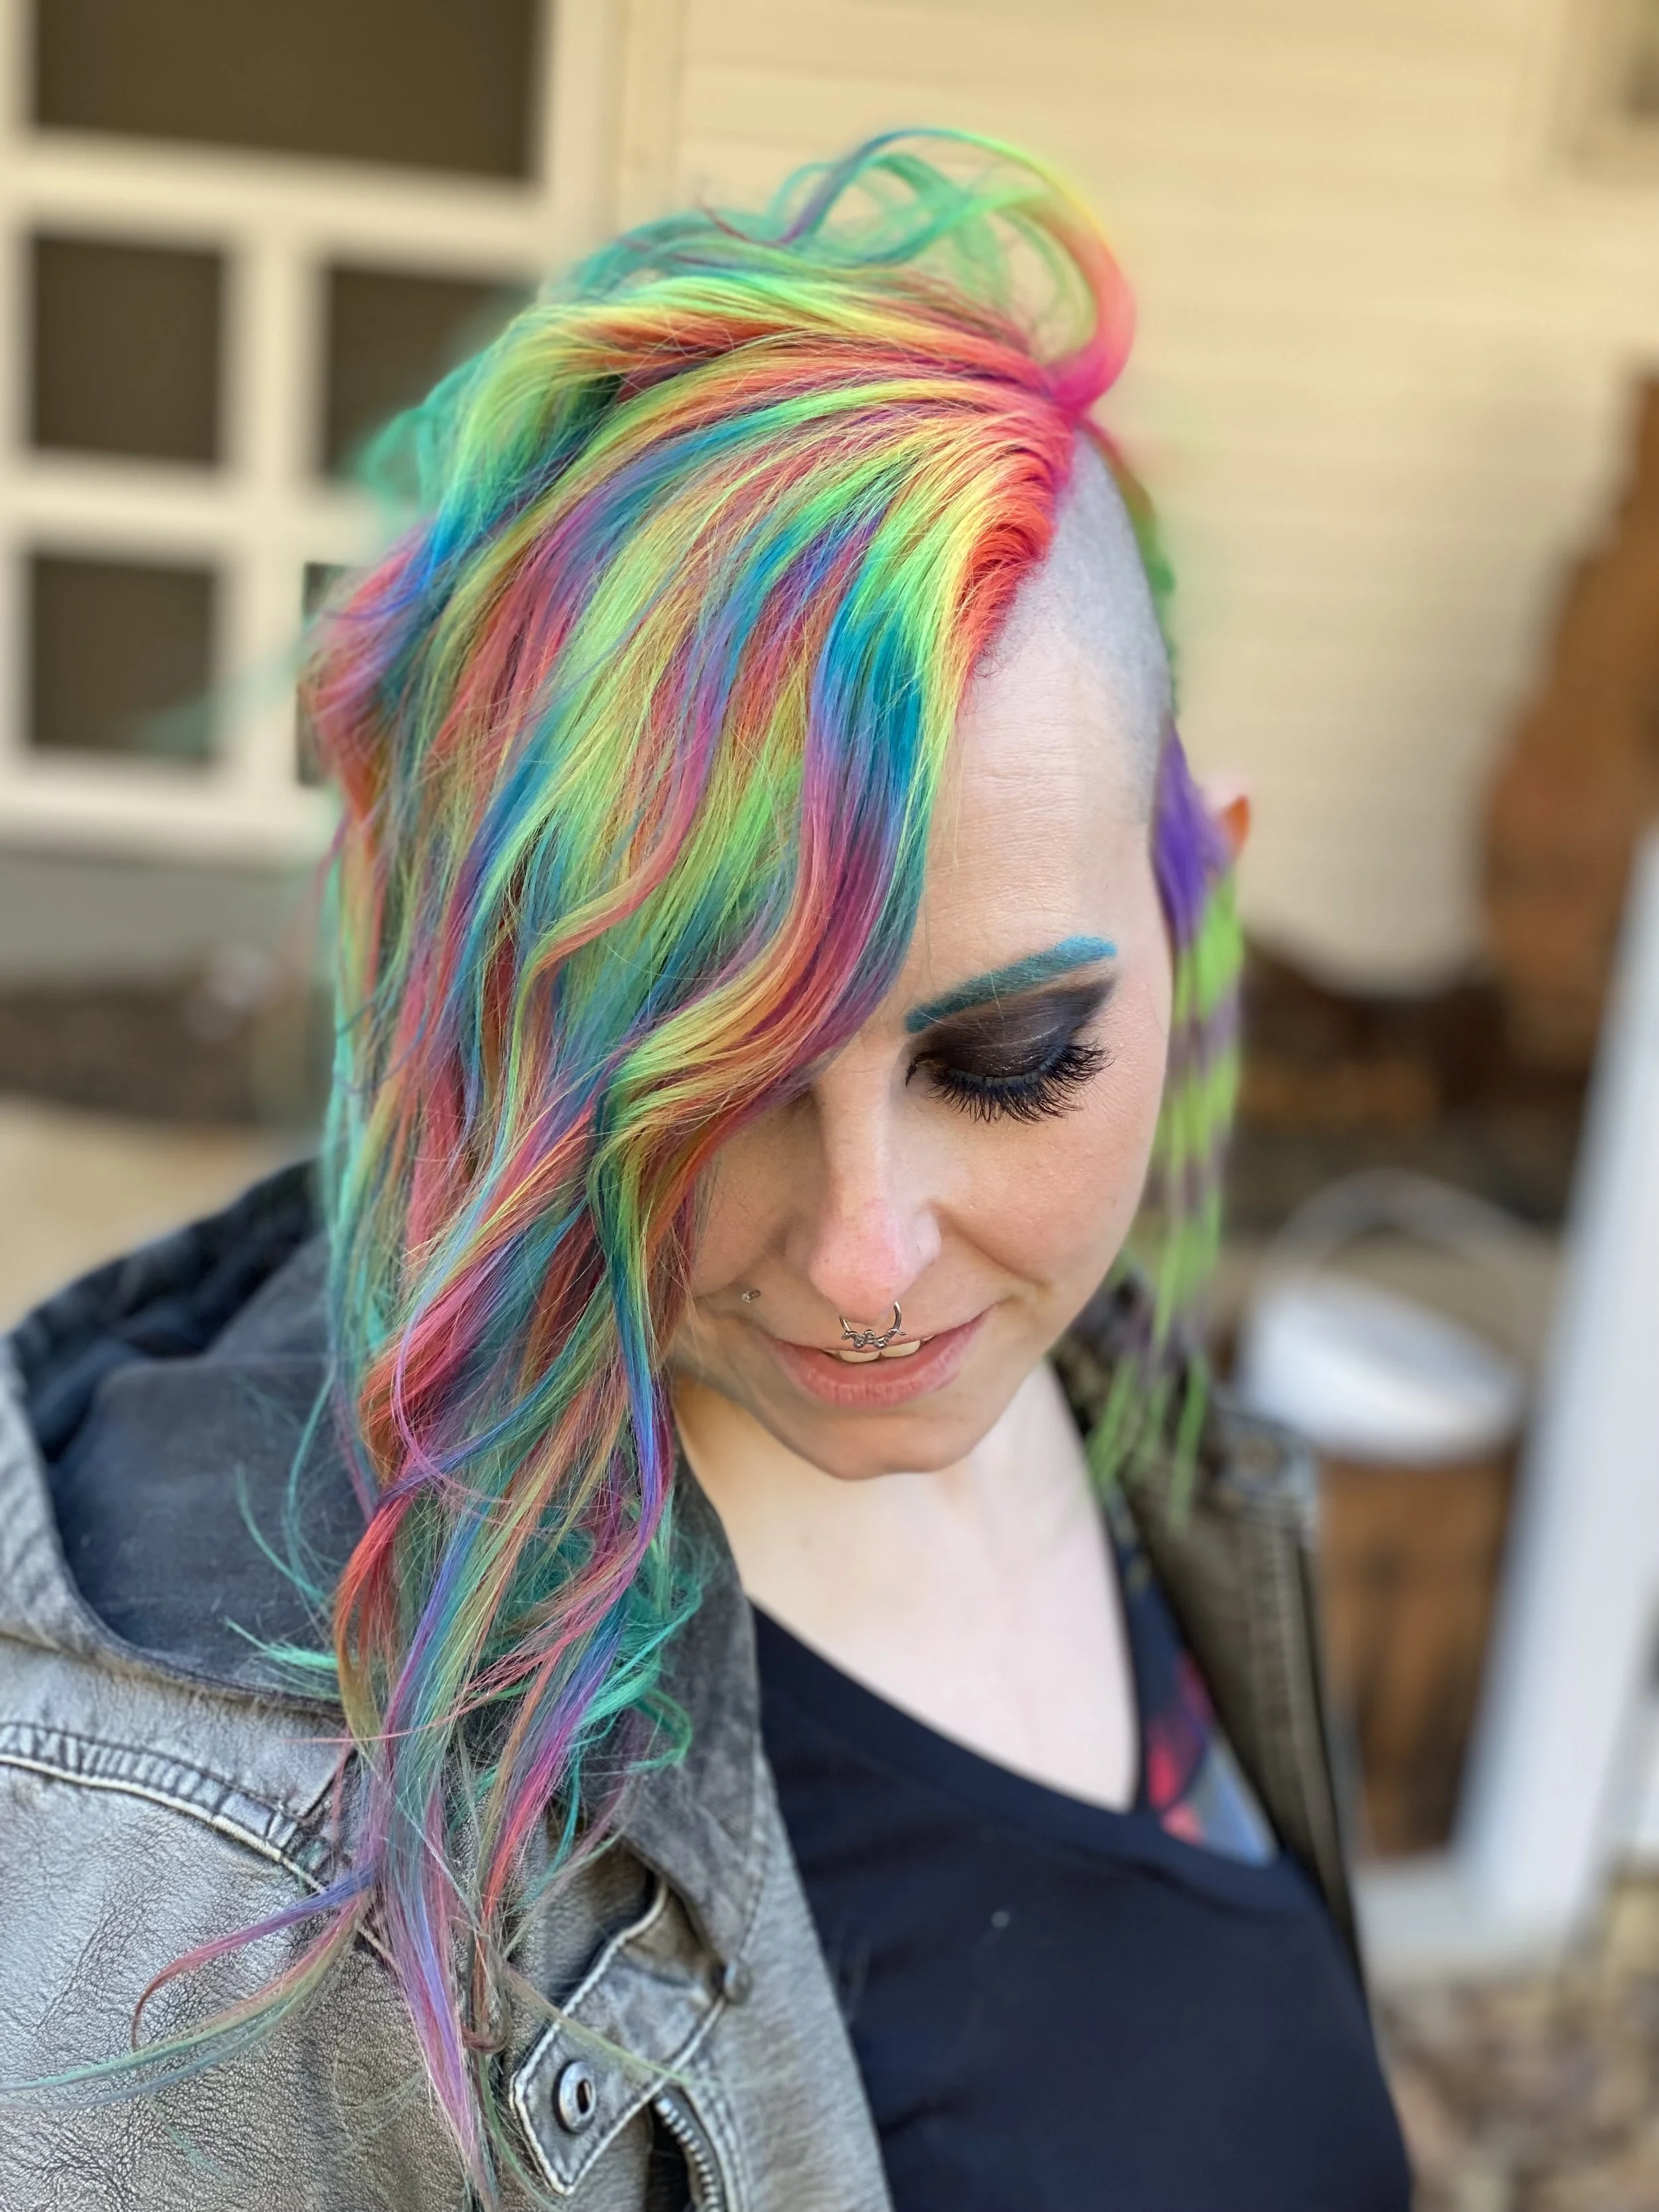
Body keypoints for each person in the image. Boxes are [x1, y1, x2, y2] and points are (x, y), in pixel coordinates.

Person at [0, 133, 1409, 2210]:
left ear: (1198, 906)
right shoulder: (218, 1860)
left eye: (1012, 1062)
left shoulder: (1121, 1425)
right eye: (697, 1073)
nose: (863, 1255)